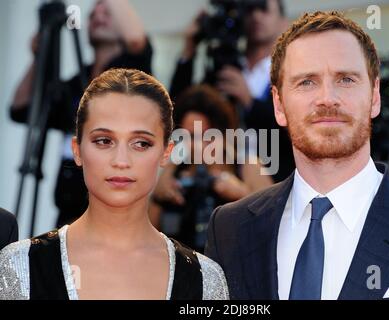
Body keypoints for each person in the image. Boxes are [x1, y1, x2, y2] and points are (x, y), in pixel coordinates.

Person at [205, 11, 389, 300]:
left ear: (374, 97)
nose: (327, 98)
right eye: (306, 82)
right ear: (279, 105)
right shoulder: (230, 228)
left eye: (346, 79)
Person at [0, 69, 229, 300]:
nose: (121, 161)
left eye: (141, 143)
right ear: (77, 150)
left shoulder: (204, 279)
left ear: (166, 152)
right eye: (104, 141)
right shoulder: (20, 266)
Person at [10, 0, 153, 227]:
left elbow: (136, 41)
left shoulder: (131, 76)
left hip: (113, 212)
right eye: (93, 14)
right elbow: (20, 109)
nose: (98, 16)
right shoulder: (76, 82)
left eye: (107, 12)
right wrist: (39, 56)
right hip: (67, 213)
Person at [170, 0, 294, 183]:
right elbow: (180, 112)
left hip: (276, 183)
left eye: (263, 8)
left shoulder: (292, 70)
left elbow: (294, 129)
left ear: (284, 22)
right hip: (221, 185)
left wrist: (250, 103)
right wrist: (189, 51)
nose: (255, 16)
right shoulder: (224, 67)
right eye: (249, 9)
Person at [151, 85, 273, 252]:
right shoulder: (175, 172)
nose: (200, 145)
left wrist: (241, 195)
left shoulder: (247, 167)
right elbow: (149, 234)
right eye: (191, 136)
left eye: (208, 135)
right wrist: (161, 193)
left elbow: (274, 223)